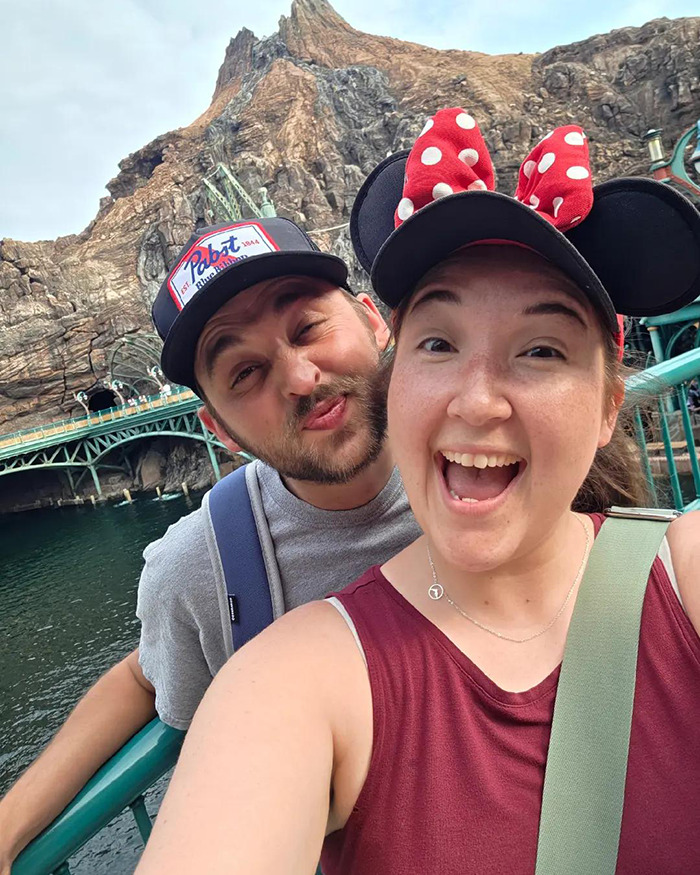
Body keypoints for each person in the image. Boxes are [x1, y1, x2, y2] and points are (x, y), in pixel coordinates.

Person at [136, 110, 700, 874]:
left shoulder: (684, 574)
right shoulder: (289, 675)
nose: (476, 401)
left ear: (608, 405)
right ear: (399, 378)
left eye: (540, 349)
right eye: (438, 342)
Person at [0, 217, 421, 873]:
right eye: (247, 370)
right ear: (216, 426)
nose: (303, 379)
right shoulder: (206, 568)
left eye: (308, 328)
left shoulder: (496, 457)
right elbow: (145, 674)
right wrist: (9, 824)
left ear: (372, 318)